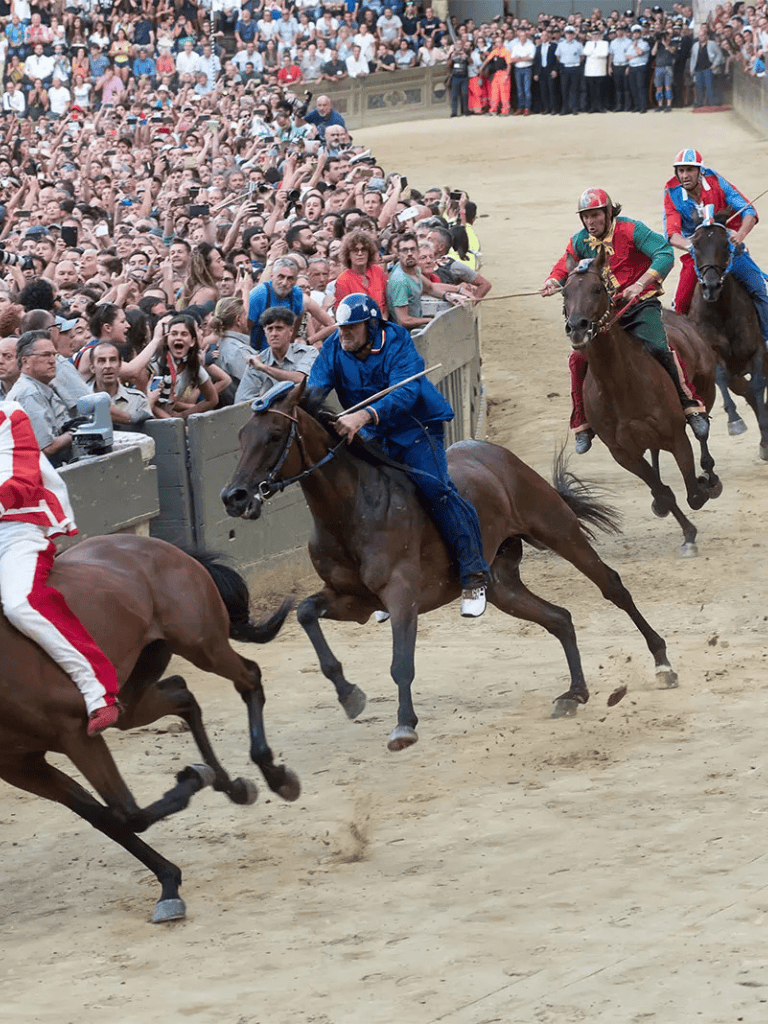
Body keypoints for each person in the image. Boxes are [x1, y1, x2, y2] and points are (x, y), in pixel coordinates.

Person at [307, 293, 490, 617]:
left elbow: (406, 393)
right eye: (341, 327)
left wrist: (363, 416)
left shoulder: (397, 341)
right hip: (375, 434)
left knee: (436, 490)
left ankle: (474, 574)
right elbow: (315, 388)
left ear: (371, 325)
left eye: (352, 327)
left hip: (416, 428)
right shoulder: (335, 347)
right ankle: (381, 583)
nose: (344, 333)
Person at [541, 187, 709, 453]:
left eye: (595, 216)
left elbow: (664, 252)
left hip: (640, 304)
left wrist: (640, 284)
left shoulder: (631, 230)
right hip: (605, 311)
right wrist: (553, 280)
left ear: (608, 213)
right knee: (578, 359)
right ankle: (582, 421)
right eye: (585, 217)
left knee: (658, 345)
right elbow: (566, 264)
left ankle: (689, 403)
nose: (590, 222)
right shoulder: (580, 240)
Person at [0, 399, 121, 735]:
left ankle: (97, 689)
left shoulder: (9, 413)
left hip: (14, 530)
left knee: (21, 603)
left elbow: (19, 483)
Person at [662, 148, 768, 348]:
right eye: (681, 171)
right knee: (681, 301)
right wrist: (691, 246)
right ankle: (682, 351)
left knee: (758, 289)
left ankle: (766, 340)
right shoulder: (671, 193)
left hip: (727, 249)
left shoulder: (717, 181)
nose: (684, 176)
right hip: (697, 254)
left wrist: (740, 234)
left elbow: (749, 211)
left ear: (700, 172)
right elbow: (671, 234)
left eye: (689, 171)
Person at [235, 306, 317, 403]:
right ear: (265, 332)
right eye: (270, 329)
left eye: (279, 328)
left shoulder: (307, 352)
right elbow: (242, 401)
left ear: (290, 331)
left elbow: (300, 379)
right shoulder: (258, 360)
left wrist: (264, 368)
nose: (274, 334)